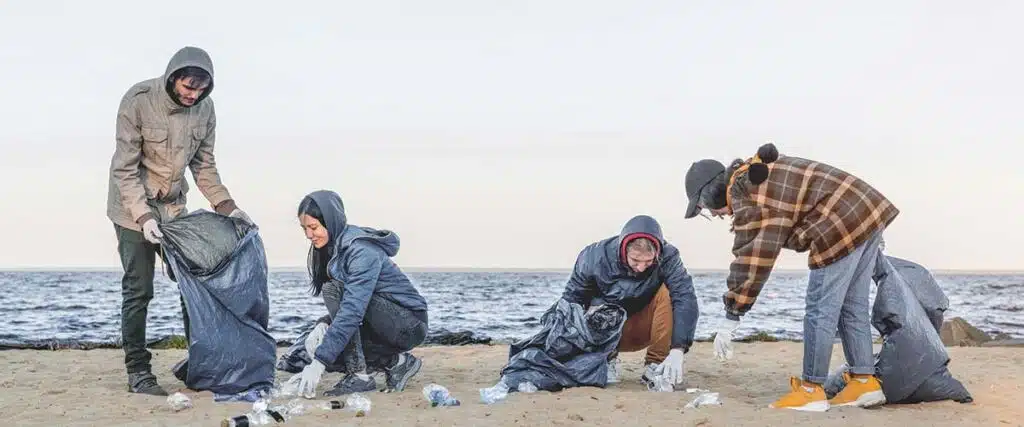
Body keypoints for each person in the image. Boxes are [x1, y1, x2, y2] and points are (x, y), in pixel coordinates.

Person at [682, 142, 899, 411]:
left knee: (820, 309)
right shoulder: (754, 173)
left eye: (705, 207)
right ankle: (864, 382)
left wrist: (732, 314)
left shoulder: (747, 192)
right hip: (865, 209)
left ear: (711, 192)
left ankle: (811, 390)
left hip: (839, 221)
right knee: (852, 305)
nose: (714, 214)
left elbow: (753, 258)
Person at [106, 46, 252, 396]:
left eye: (200, 90)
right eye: (188, 87)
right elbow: (124, 169)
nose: (193, 95)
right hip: (131, 208)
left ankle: (201, 362)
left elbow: (204, 165)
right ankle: (139, 372)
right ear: (173, 78)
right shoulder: (138, 100)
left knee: (193, 282)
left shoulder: (206, 109)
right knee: (139, 289)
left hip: (173, 208)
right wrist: (143, 217)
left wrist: (228, 207)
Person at [294, 190, 429, 397]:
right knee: (320, 343)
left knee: (333, 292)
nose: (309, 235)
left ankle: (359, 376)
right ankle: (397, 362)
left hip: (409, 324)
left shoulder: (361, 250)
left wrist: (319, 362)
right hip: (378, 321)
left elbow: (352, 309)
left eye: (313, 227)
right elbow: (351, 309)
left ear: (331, 221)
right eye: (304, 229)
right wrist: (323, 325)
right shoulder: (332, 249)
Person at [560, 215, 699, 388]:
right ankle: (606, 359)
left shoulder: (669, 256)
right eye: (635, 260)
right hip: (602, 333)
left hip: (643, 328)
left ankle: (656, 364)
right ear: (623, 249)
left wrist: (678, 349)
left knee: (669, 292)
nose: (641, 267)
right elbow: (571, 300)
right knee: (591, 300)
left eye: (648, 261)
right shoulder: (593, 256)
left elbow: (685, 296)